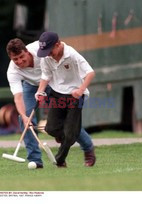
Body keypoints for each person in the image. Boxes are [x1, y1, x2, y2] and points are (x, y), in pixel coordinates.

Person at [6, 38, 96, 169]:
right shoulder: (12, 71)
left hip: (54, 83)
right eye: (15, 60)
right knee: (25, 118)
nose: (19, 62)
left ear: (27, 52)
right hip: (31, 87)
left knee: (68, 122)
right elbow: (18, 97)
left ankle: (87, 147)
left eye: (21, 57)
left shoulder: (40, 49)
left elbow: (59, 50)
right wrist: (24, 116)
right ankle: (35, 160)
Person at [35, 31, 95, 167]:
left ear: (58, 45)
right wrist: (40, 91)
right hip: (57, 93)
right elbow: (46, 75)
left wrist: (80, 90)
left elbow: (90, 73)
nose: (48, 54)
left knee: (69, 135)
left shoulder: (72, 55)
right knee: (50, 129)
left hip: (75, 95)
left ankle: (60, 160)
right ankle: (70, 135)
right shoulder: (46, 57)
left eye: (50, 51)